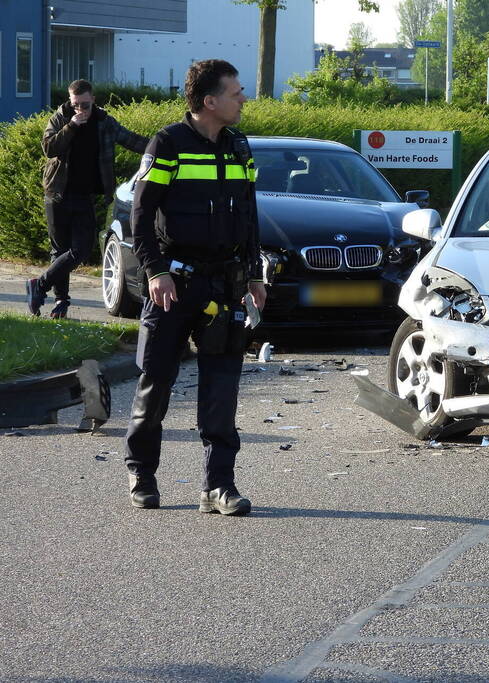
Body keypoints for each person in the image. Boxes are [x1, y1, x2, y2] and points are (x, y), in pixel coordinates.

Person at [123, 59, 266, 515]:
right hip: (174, 285)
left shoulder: (239, 146)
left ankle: (218, 486)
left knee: (222, 389)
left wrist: (255, 275)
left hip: (224, 287)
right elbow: (141, 217)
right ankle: (142, 473)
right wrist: (155, 271)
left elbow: (250, 216)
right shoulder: (167, 144)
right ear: (210, 101)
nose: (244, 99)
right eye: (236, 92)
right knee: (156, 382)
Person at [27, 80, 149, 318]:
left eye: (84, 104)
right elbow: (49, 149)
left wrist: (161, 146)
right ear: (69, 101)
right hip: (58, 193)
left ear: (93, 99)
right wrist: (71, 126)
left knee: (81, 250)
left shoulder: (104, 122)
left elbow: (132, 140)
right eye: (75, 105)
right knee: (59, 250)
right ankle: (61, 302)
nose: (80, 110)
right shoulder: (60, 118)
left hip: (84, 196)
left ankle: (39, 285)